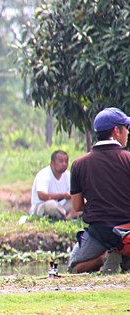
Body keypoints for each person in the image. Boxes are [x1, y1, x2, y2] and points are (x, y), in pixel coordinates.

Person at [68, 107, 130, 273]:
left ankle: (104, 259)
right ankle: (119, 256)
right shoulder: (128, 159)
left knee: (73, 269)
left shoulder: (78, 164)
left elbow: (77, 206)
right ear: (117, 130)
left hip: (99, 233)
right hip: (127, 232)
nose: (128, 133)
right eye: (126, 128)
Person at [30, 150, 77, 220]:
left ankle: (66, 218)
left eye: (66, 161)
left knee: (78, 202)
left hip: (61, 206)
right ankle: (66, 216)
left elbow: (74, 194)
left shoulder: (68, 175)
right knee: (51, 204)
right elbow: (42, 195)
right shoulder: (44, 174)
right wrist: (63, 195)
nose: (64, 164)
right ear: (52, 163)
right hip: (42, 206)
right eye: (61, 161)